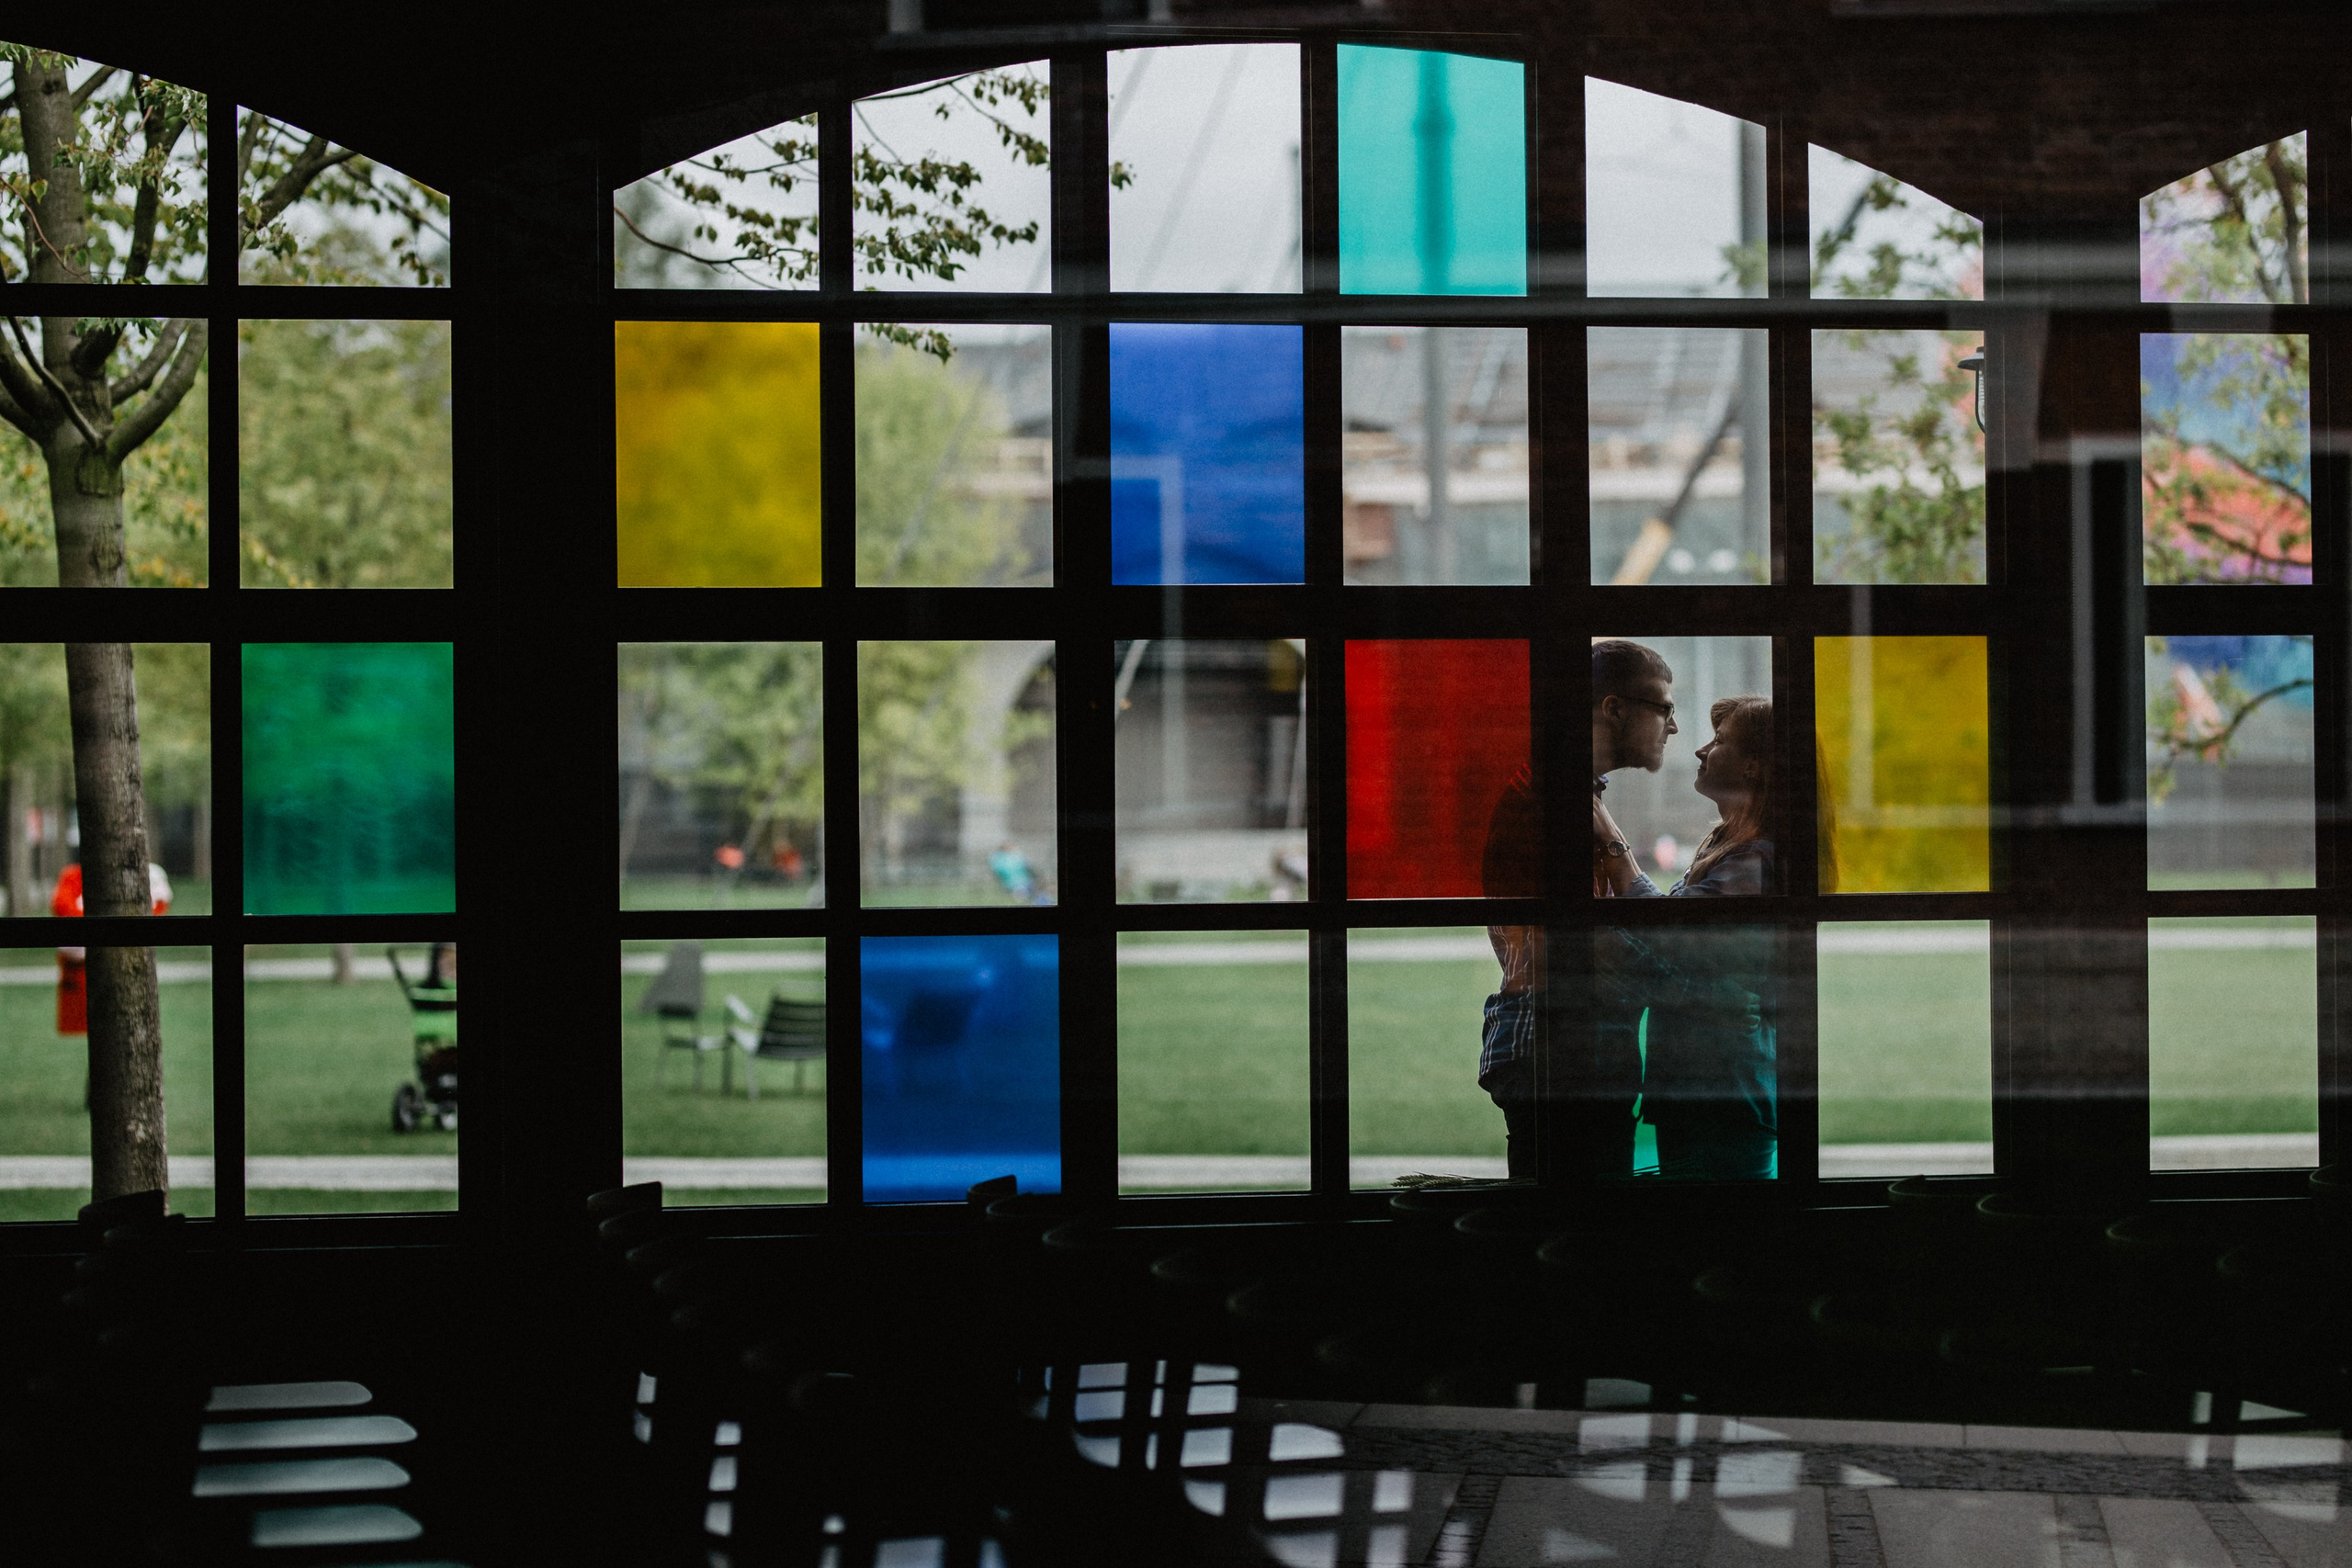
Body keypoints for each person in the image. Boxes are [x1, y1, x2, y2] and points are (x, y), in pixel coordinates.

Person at [1479, 639, 1679, 1179]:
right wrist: (1679, 960)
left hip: (1554, 1040)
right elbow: (1593, 951)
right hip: (1561, 1047)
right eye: (1663, 707)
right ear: (1613, 709)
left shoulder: (1566, 791)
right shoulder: (1557, 800)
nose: (1674, 727)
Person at [1594, 695, 1780, 1179]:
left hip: (1722, 1093)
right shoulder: (1731, 845)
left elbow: (1661, 935)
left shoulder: (1753, 862)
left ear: (1753, 768)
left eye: (1720, 741)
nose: (1701, 750)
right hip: (1705, 1090)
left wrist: (1610, 840)